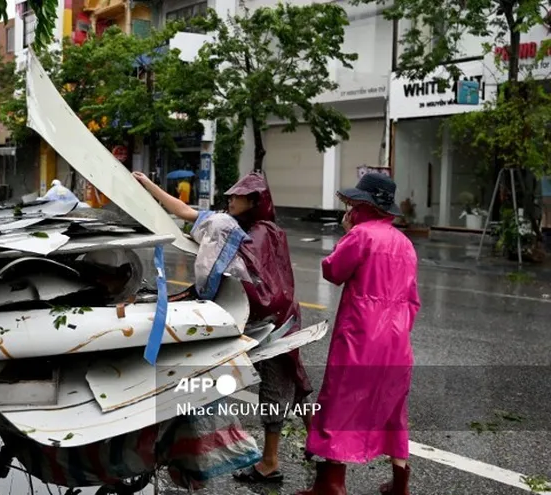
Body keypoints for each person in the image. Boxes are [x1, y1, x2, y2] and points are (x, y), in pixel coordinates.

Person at [133, 170, 313, 485]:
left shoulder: (264, 233)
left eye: (237, 196)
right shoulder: (232, 227)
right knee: (290, 386)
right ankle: (316, 447)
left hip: (276, 321)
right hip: (259, 319)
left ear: (254, 201)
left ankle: (275, 461)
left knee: (280, 386)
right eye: (229, 195)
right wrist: (149, 186)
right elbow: (188, 213)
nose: (230, 199)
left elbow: (260, 279)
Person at [295, 173, 420, 495]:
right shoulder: (405, 244)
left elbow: (334, 271)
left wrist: (348, 233)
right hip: (397, 340)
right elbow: (413, 299)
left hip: (361, 338)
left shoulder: (361, 235)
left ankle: (331, 484)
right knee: (393, 409)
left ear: (362, 205)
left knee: (339, 404)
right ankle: (400, 484)